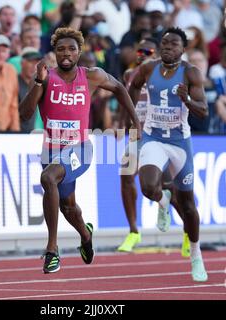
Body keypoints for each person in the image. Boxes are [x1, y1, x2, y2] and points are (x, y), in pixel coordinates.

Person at [19, 27, 141, 274]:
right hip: (51, 150)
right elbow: (24, 115)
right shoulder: (46, 78)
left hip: (81, 149)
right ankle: (85, 235)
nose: (66, 53)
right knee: (68, 207)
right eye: (61, 49)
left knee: (48, 178)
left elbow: (119, 88)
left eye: (71, 49)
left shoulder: (92, 76)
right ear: (55, 52)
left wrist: (135, 121)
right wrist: (38, 82)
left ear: (79, 52)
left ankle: (52, 250)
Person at [128, 27, 208, 282]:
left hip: (179, 144)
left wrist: (187, 101)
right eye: (164, 44)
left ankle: (196, 256)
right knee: (148, 187)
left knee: (188, 206)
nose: (167, 48)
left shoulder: (191, 73)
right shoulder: (148, 68)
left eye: (174, 44)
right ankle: (163, 200)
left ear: (183, 49)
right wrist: (133, 121)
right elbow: (132, 88)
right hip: (153, 138)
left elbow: (203, 112)